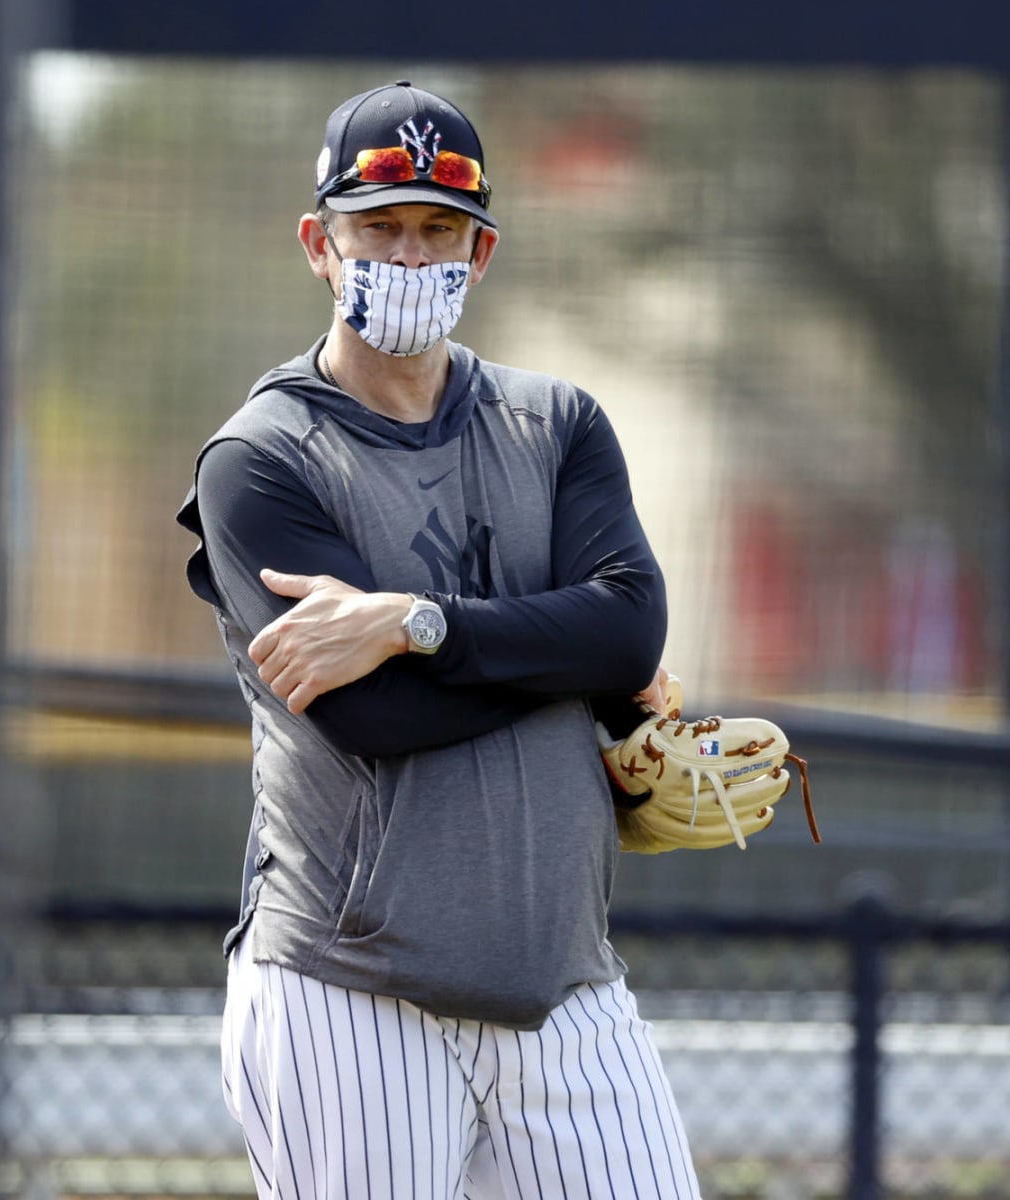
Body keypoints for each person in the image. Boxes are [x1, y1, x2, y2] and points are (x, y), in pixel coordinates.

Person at [176, 82, 700, 1199]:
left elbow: (634, 622)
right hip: (348, 988)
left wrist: (413, 623)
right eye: (379, 227)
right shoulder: (258, 459)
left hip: (563, 980)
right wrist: (573, 661)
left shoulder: (557, 424)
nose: (409, 257)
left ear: (482, 249)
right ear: (320, 243)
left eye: (437, 229)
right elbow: (379, 715)